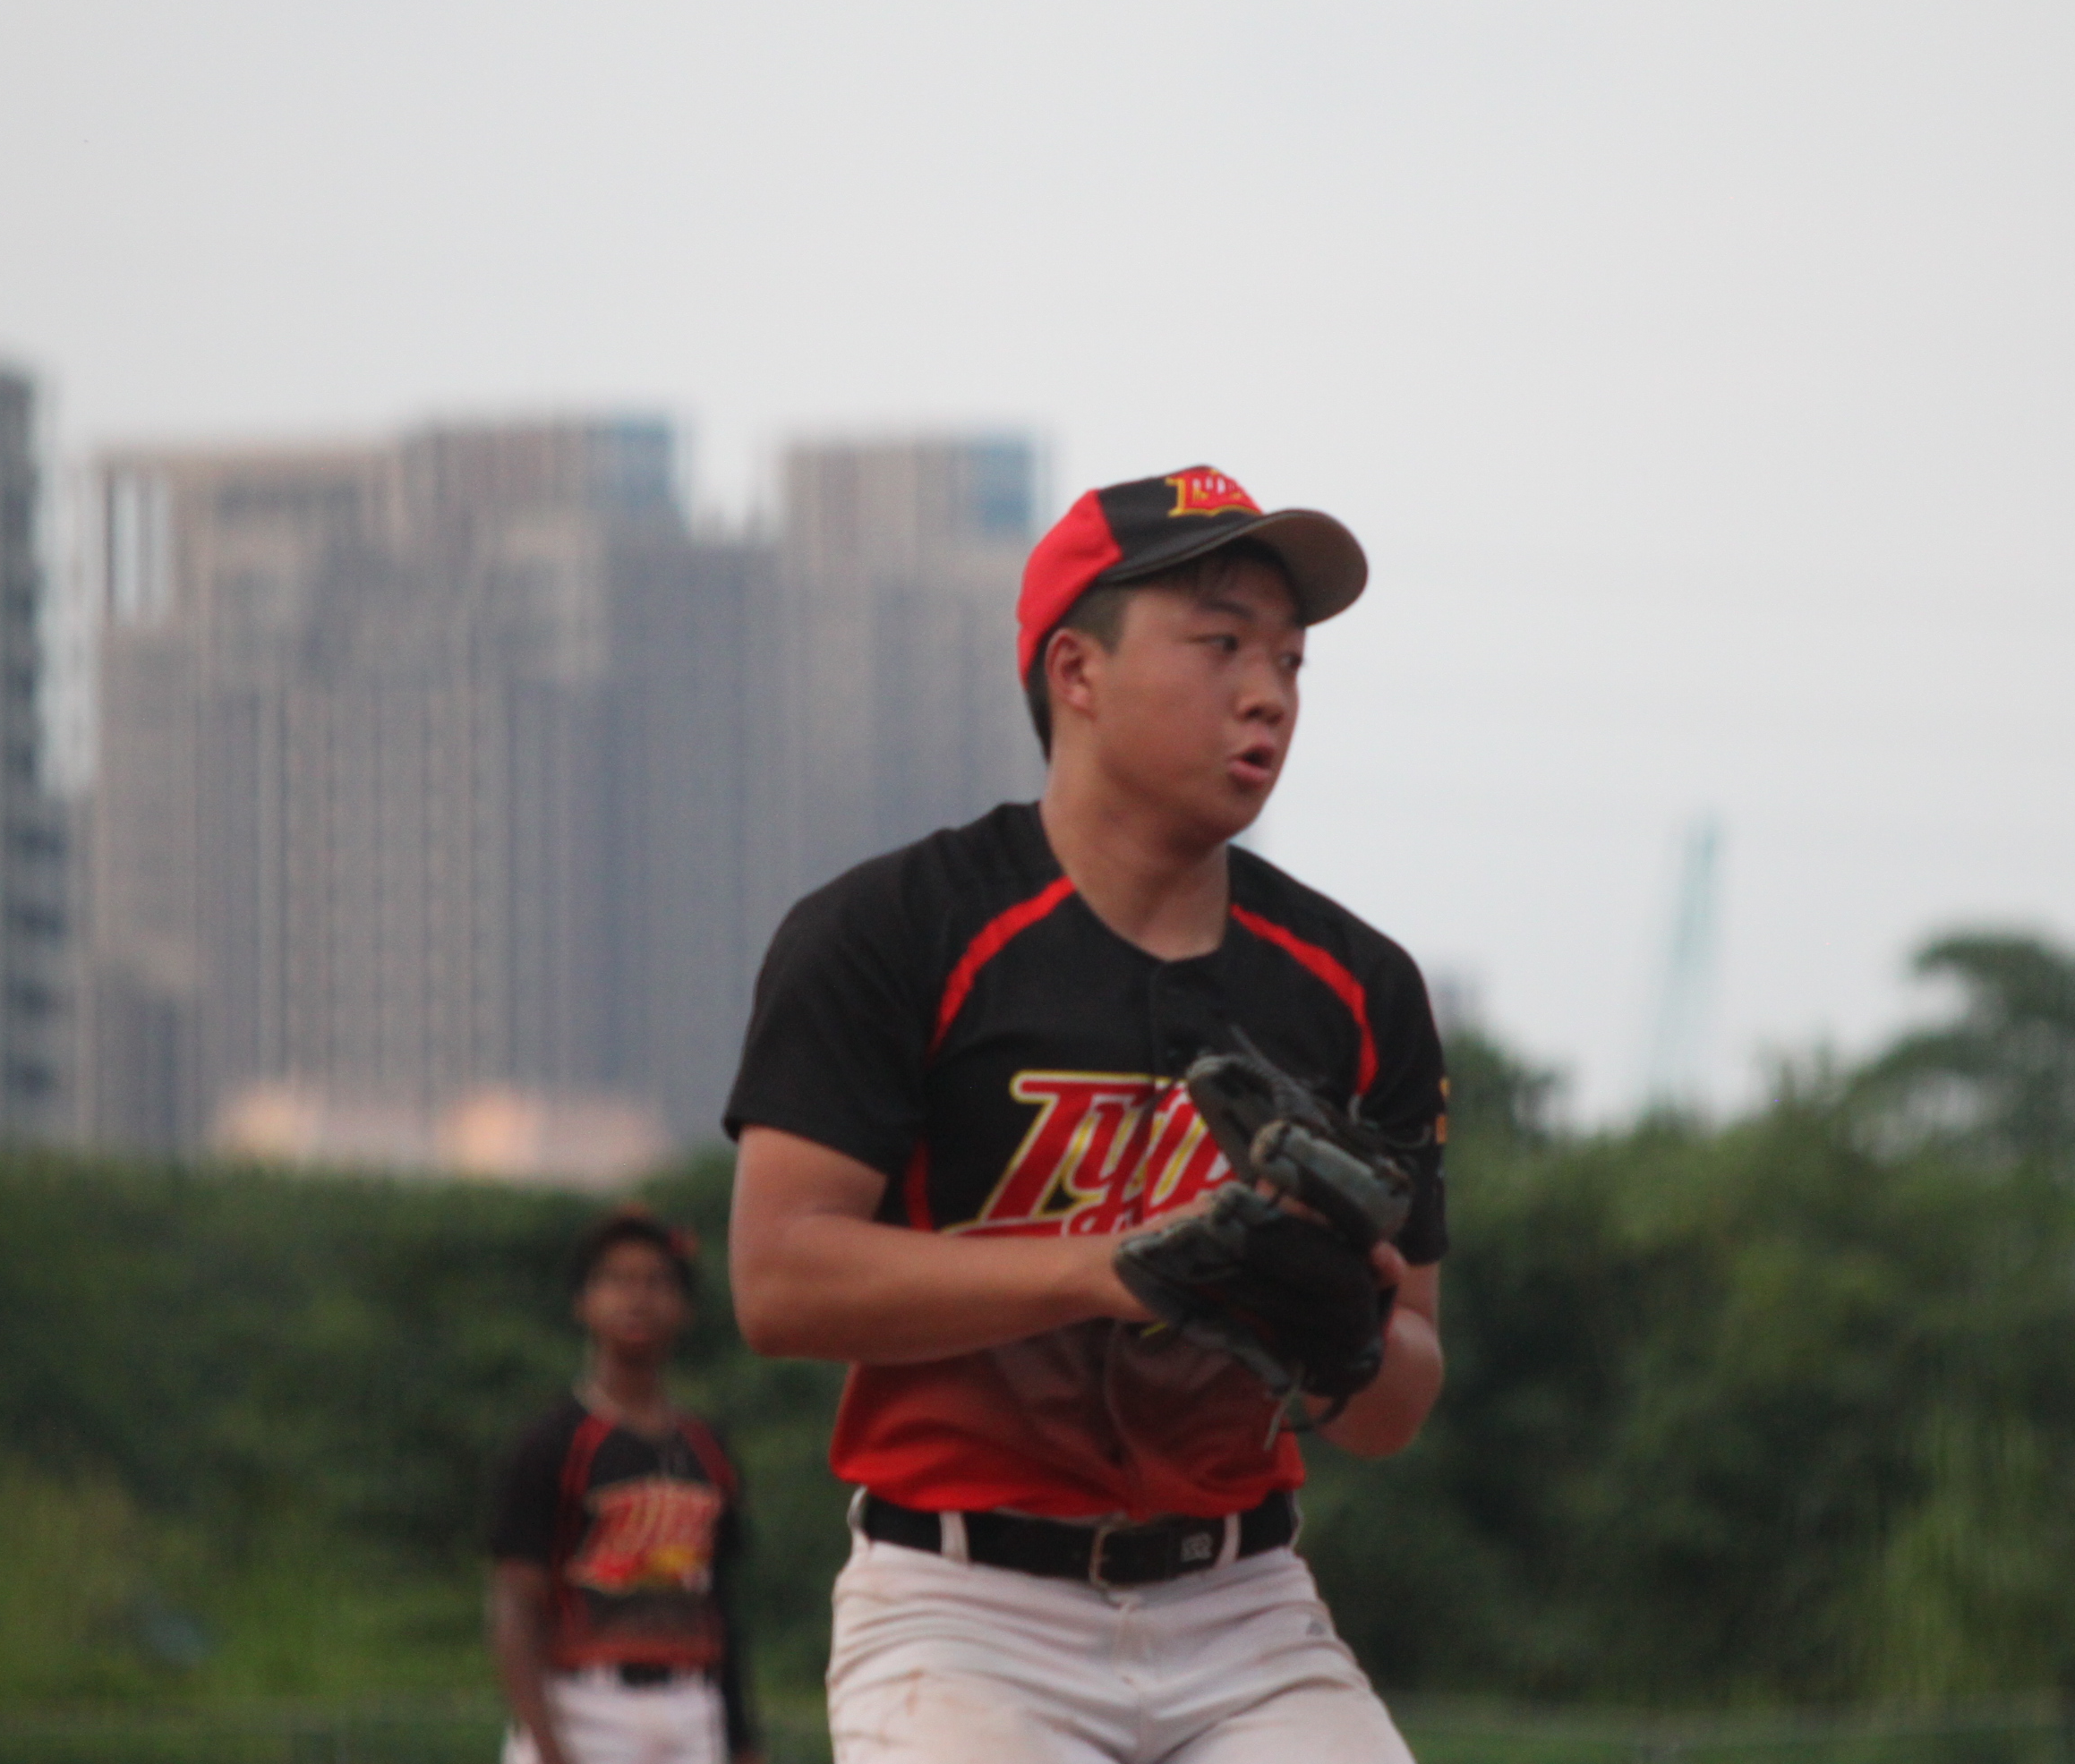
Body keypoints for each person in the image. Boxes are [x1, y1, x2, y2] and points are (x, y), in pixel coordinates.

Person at [722, 464, 1448, 1764]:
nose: (1269, 692)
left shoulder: (1357, 986)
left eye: (1289, 659)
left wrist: (1339, 1337)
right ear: (1077, 671)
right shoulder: (893, 930)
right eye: (1221, 643)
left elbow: (1399, 1403)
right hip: (964, 1614)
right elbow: (780, 1284)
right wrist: (1114, 1270)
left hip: (1245, 1610)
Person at [488, 1207, 761, 1764]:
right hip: (583, 1703)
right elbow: (516, 1604)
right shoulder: (555, 1443)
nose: (636, 1298)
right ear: (582, 1302)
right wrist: (547, 1745)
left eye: (656, 1281)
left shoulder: (706, 1450)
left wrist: (743, 1740)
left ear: (684, 1307)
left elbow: (720, 1602)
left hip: (692, 1704)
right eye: (615, 1280)